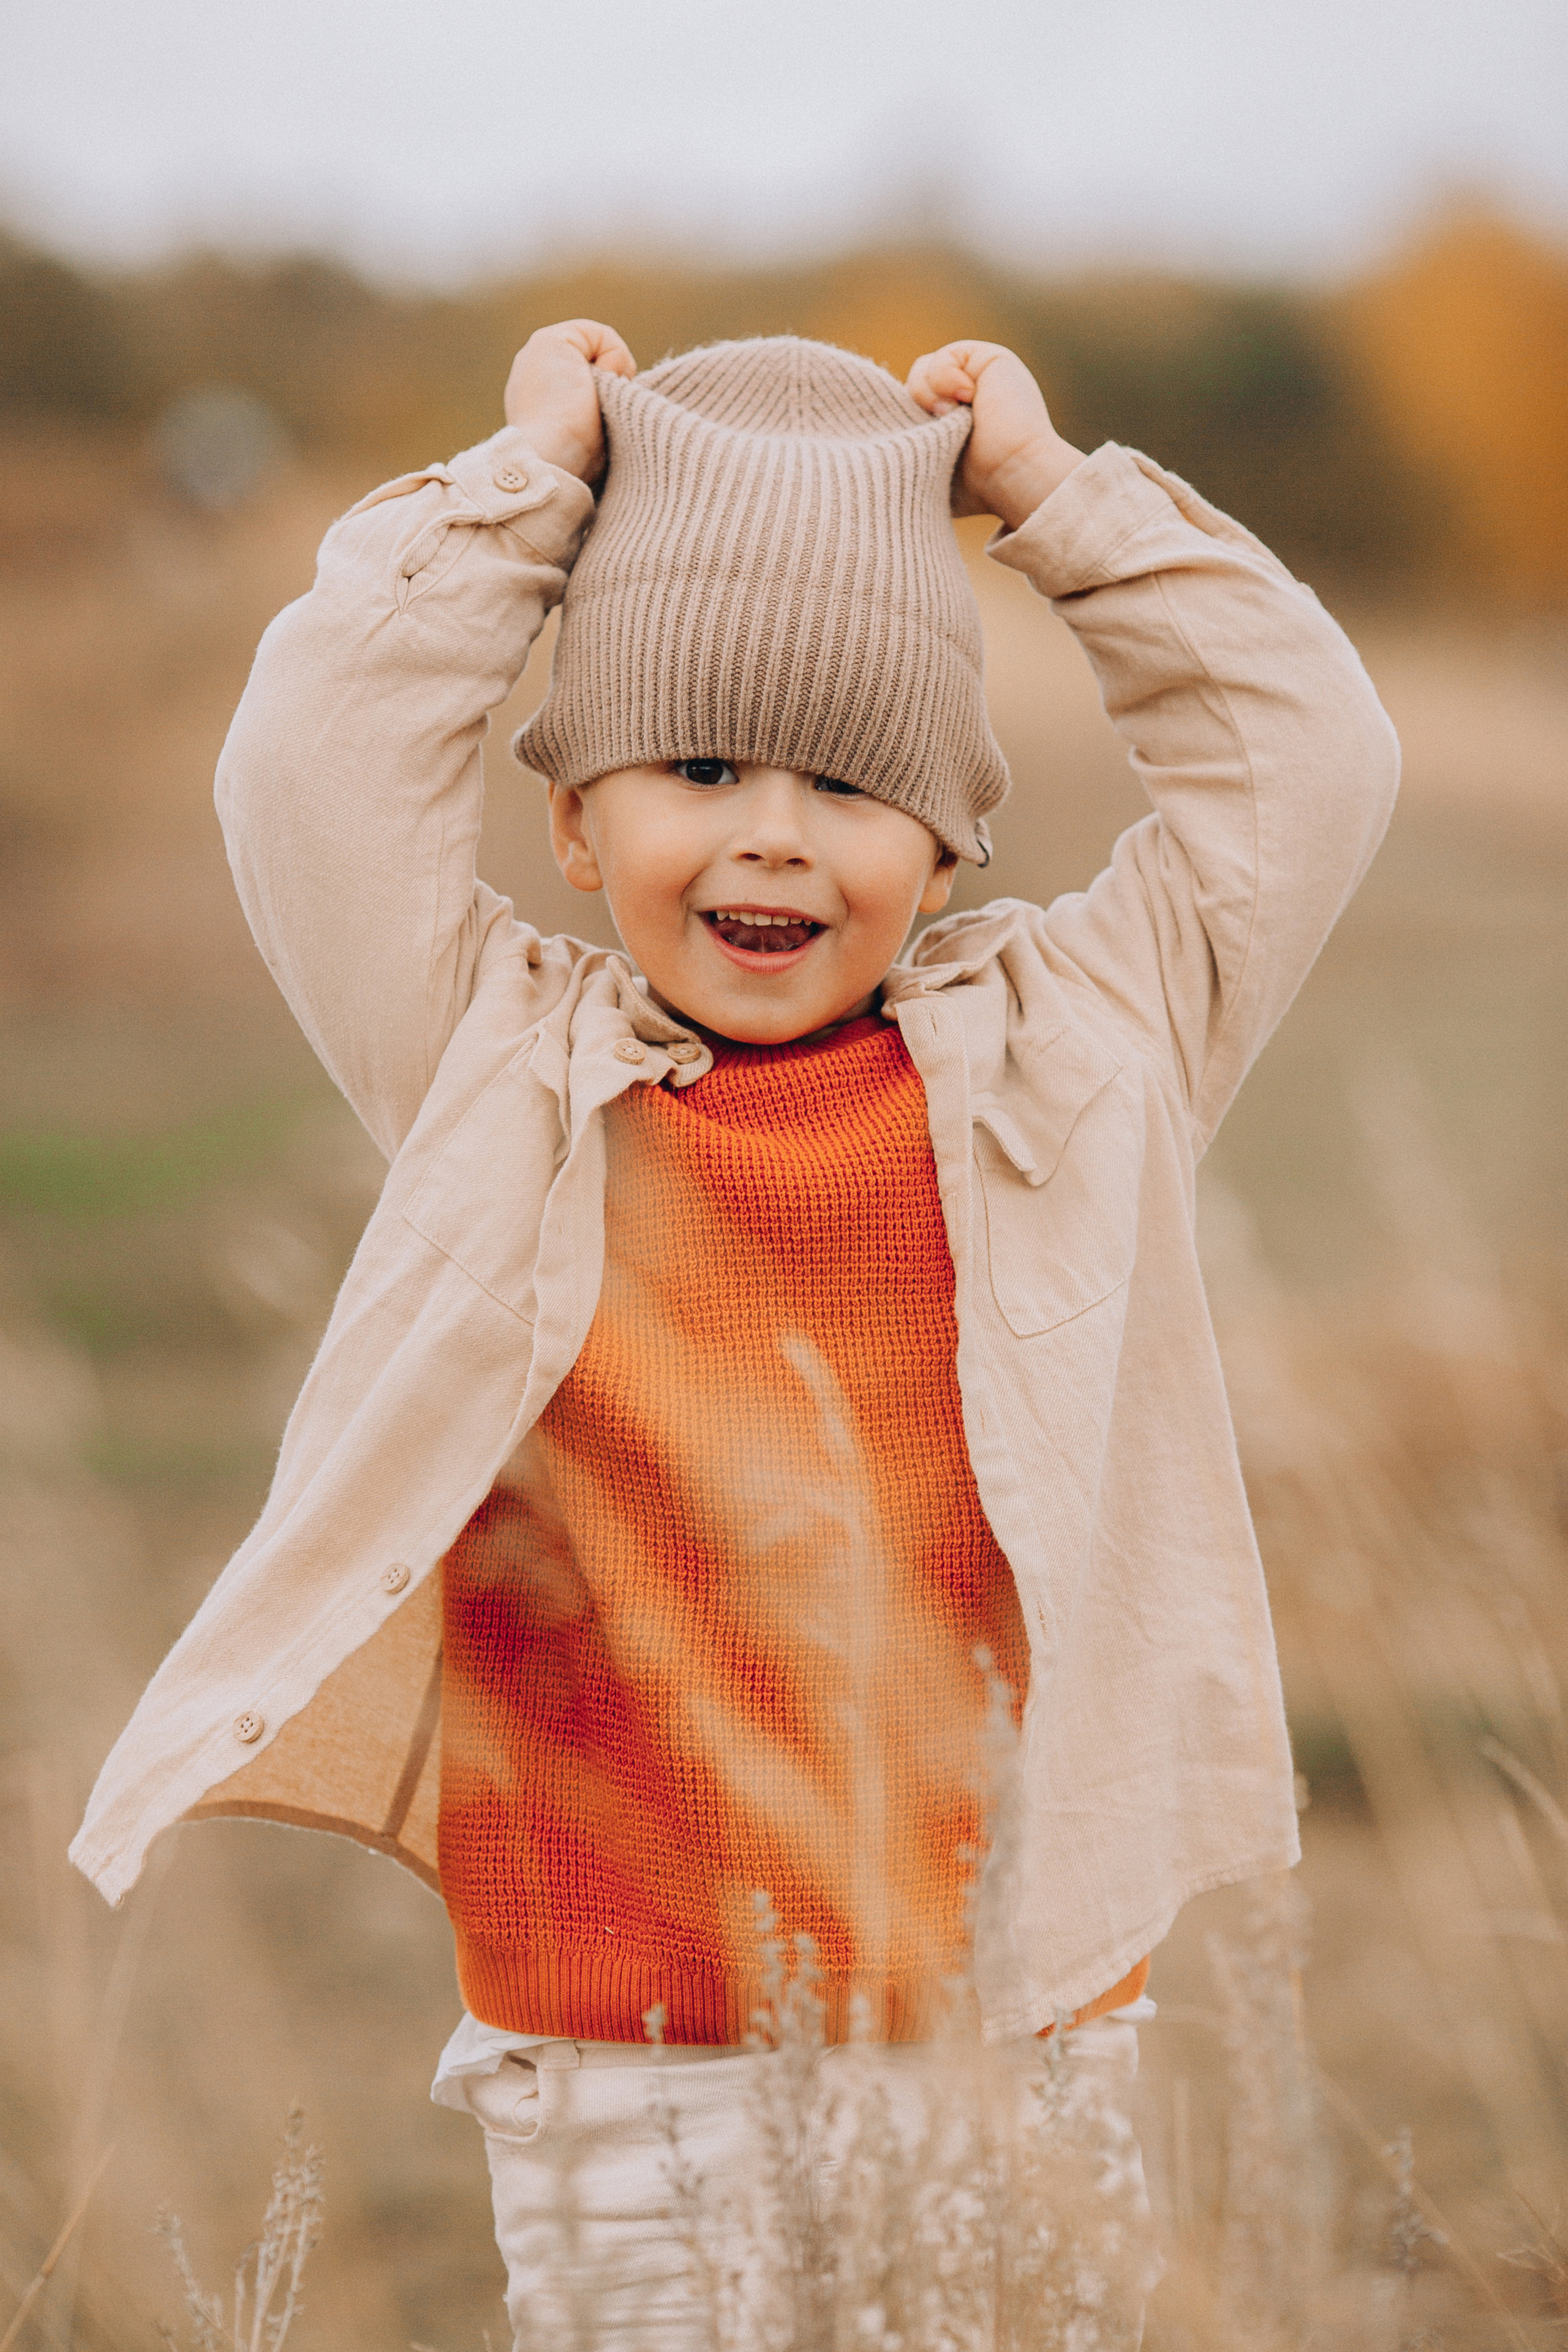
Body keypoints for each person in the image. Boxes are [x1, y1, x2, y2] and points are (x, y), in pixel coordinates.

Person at [71, 318, 1398, 2346]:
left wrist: (1057, 506)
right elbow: (311, 769)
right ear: (576, 826)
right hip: (627, 2053)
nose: (776, 830)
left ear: (951, 840)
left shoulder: (1080, 1058)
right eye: (698, 768)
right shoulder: (497, 1076)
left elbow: (1310, 758)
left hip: (1011, 2030)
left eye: (856, 785)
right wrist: (532, 488)